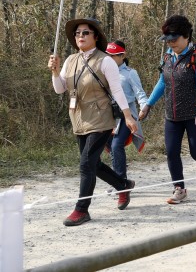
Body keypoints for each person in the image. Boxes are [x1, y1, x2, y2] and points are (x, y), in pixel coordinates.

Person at [48, 18, 139, 226]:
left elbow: (117, 90)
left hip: (101, 120)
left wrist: (127, 115)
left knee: (86, 164)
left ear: (95, 37)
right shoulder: (71, 60)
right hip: (79, 119)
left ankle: (81, 210)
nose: (81, 36)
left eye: (86, 33)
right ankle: (123, 184)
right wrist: (55, 70)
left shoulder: (105, 60)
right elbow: (59, 89)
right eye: (78, 33)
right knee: (94, 164)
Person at [139, 15, 196, 204]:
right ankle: (179, 188)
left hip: (194, 115)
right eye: (167, 39)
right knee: (172, 152)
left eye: (174, 39)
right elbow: (162, 82)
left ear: (186, 37)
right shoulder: (167, 56)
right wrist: (148, 105)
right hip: (172, 115)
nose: (170, 43)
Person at [105, 40, 148, 207]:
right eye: (108, 55)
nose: (110, 58)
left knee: (117, 145)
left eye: (114, 55)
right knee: (110, 148)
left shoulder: (130, 73)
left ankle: (121, 184)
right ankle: (118, 180)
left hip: (126, 115)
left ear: (123, 55)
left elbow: (140, 93)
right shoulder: (103, 72)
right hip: (108, 117)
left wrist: (145, 107)